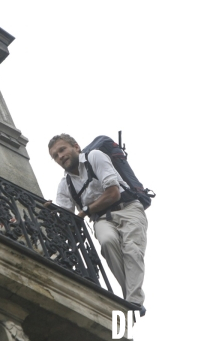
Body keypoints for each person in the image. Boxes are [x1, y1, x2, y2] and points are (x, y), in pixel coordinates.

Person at [46, 134, 148, 316]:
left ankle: (132, 301)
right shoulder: (65, 184)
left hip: (129, 209)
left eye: (62, 150)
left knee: (132, 249)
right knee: (107, 242)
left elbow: (113, 193)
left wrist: (84, 210)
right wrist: (50, 211)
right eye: (55, 156)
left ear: (76, 147)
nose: (60, 156)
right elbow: (67, 220)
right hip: (101, 219)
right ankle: (132, 299)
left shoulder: (95, 157)